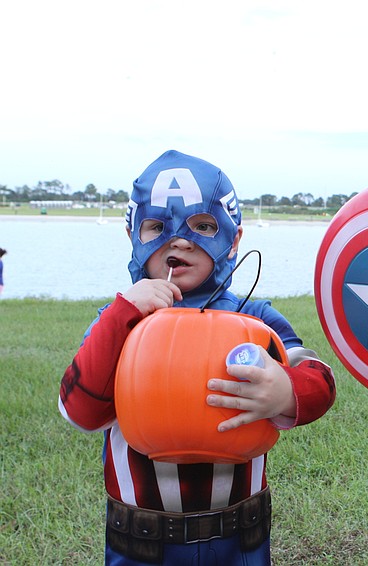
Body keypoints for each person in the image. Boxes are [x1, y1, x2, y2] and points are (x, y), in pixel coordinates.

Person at [58, 150, 336, 564]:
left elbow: (319, 375)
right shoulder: (117, 319)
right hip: (141, 541)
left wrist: (287, 392)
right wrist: (122, 315)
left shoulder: (254, 316)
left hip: (241, 536)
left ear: (232, 238)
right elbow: (79, 410)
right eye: (157, 226)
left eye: (203, 226)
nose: (181, 240)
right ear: (133, 234)